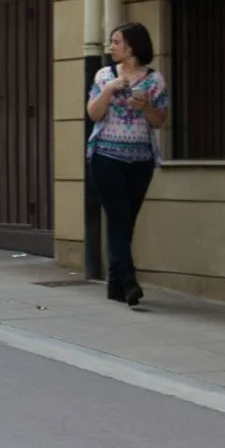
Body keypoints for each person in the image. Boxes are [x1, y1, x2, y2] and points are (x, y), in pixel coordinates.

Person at [85, 22, 169, 306]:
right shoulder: (104, 75)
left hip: (140, 160)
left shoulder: (154, 80)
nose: (111, 47)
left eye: (116, 42)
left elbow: (159, 121)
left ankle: (115, 283)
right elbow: (93, 114)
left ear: (132, 46)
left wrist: (145, 107)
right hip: (106, 158)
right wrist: (109, 89)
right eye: (111, 42)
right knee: (118, 217)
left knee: (125, 221)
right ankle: (129, 281)